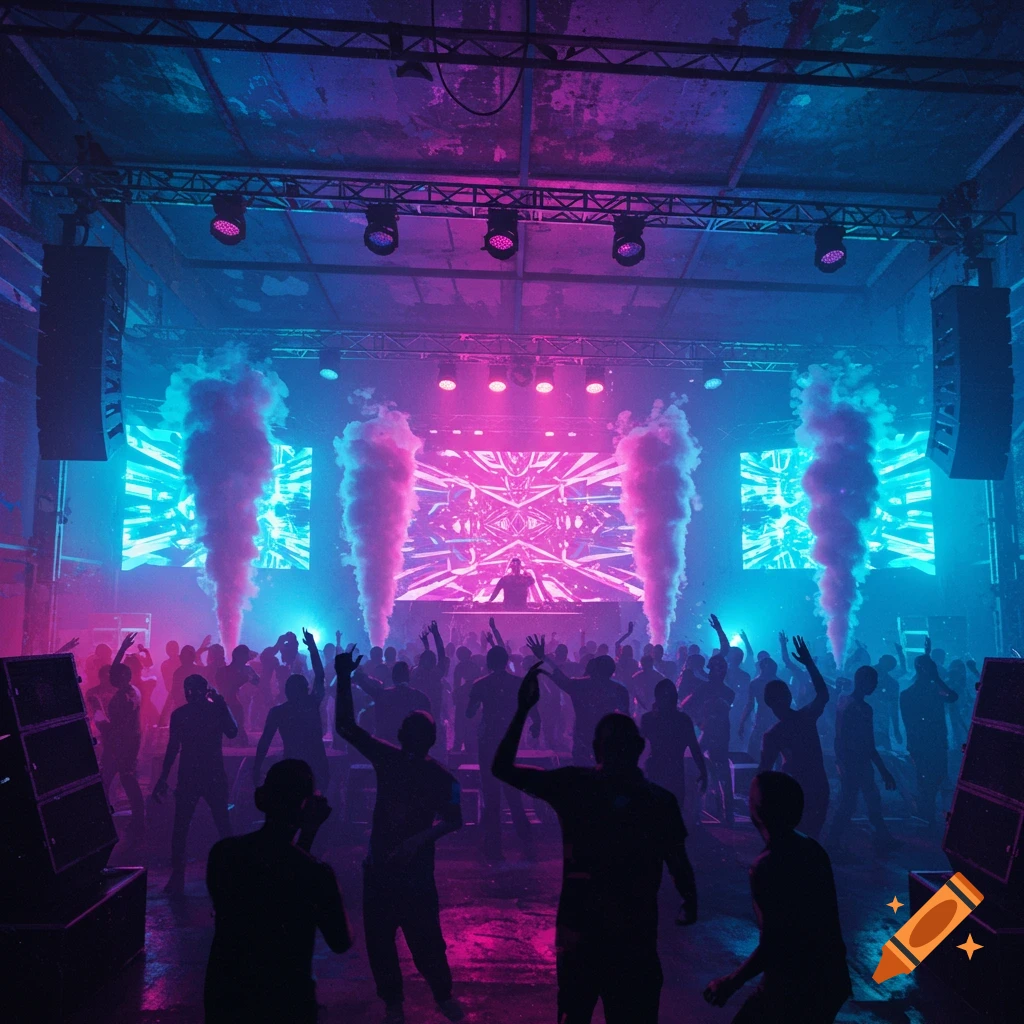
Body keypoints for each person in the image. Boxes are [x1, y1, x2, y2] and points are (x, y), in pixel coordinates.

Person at [493, 662, 697, 1024]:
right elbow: (679, 861)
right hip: (634, 933)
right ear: (639, 747)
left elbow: (502, 768)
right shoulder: (659, 801)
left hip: (580, 928)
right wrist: (689, 901)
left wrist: (523, 708)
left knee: (575, 1014)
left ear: (595, 748)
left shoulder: (575, 785)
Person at [334, 650, 465, 1024]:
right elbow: (457, 820)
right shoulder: (444, 777)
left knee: (389, 941)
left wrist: (344, 677)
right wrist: (423, 838)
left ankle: (403, 1002)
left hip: (389, 868)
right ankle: (438, 998)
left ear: (403, 735)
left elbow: (345, 725)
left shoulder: (390, 759)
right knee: (416, 942)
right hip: (410, 871)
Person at [204, 759, 351, 1024]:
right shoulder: (316, 873)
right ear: (306, 806)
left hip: (226, 997)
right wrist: (309, 834)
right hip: (287, 1003)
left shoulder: (223, 854)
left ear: (263, 798)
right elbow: (341, 941)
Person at [703, 772, 851, 1022]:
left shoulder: (766, 866)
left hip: (792, 985)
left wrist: (730, 982)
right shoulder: (813, 849)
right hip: (830, 979)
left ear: (757, 810)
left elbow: (774, 943)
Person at [153, 672, 238, 894]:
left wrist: (163, 777)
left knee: (182, 826)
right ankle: (233, 871)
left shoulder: (180, 714)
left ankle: (178, 876)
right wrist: (222, 704)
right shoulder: (212, 711)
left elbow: (173, 748)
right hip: (212, 774)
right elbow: (233, 731)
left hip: (191, 774)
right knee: (221, 822)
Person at [466, 645, 541, 861]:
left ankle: (493, 846)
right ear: (506, 661)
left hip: (488, 739)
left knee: (491, 792)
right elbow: (531, 707)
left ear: (488, 663)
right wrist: (536, 723)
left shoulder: (481, 683)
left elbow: (469, 713)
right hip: (509, 738)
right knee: (512, 789)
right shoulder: (517, 683)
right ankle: (526, 842)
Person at [758, 636, 831, 839]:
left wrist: (761, 808)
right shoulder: (804, 718)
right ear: (789, 697)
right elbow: (823, 694)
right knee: (811, 839)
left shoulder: (773, 734)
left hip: (794, 791)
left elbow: (763, 773)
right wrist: (809, 664)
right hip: (817, 786)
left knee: (794, 843)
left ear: (767, 703)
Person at [826, 665, 899, 854]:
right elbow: (868, 743)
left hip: (852, 760)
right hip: (857, 762)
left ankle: (881, 837)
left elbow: (840, 737)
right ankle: (832, 844)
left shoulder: (844, 702)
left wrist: (840, 760)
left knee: (866, 799)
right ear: (863, 681)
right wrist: (883, 770)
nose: (875, 685)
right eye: (872, 681)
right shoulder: (862, 708)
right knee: (851, 802)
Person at [529, 635, 629, 766]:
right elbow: (626, 720)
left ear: (593, 669)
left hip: (584, 738)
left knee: (583, 775)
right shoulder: (619, 690)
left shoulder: (581, 686)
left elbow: (559, 677)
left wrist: (544, 658)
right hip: (607, 738)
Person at [253, 629, 330, 793]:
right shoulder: (312, 703)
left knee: (291, 807)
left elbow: (265, 741)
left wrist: (256, 767)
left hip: (292, 765)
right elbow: (320, 674)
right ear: (306, 689)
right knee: (315, 809)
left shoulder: (278, 712)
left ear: (286, 691)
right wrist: (312, 647)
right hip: (317, 765)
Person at [900, 637, 959, 827]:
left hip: (924, 744)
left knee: (927, 780)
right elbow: (952, 696)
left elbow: (952, 697)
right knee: (933, 779)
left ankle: (927, 814)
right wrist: (936, 677)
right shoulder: (933, 690)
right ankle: (928, 815)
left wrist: (927, 660)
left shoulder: (908, 693)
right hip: (933, 743)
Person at [99, 631, 146, 844]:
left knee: (127, 778)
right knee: (107, 777)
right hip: (116, 742)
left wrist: (105, 725)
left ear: (125, 677)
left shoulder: (130, 694)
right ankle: (103, 816)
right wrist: (121, 650)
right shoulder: (124, 689)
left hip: (126, 743)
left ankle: (138, 820)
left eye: (117, 676)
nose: (112, 678)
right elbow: (114, 671)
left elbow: (124, 719)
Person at [641, 679, 708, 814]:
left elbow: (636, 748)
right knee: (672, 813)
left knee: (657, 813)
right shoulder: (682, 720)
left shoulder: (649, 719)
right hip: (673, 770)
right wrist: (703, 771)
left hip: (657, 768)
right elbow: (695, 749)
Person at [683, 653, 735, 825]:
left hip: (712, 734)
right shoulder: (727, 692)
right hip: (718, 734)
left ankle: (698, 812)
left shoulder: (709, 689)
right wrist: (700, 721)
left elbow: (686, 706)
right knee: (721, 774)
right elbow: (686, 706)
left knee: (698, 770)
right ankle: (727, 815)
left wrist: (699, 721)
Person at [356, 660, 432, 743]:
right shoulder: (420, 697)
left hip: (385, 745)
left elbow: (366, 686)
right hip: (410, 745)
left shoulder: (382, 694)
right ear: (408, 677)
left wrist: (358, 675)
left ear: (393, 676)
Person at [160, 636, 212, 727]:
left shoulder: (182, 668)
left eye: (174, 648)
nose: (173, 651)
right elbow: (169, 686)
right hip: (179, 700)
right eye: (170, 648)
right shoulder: (167, 665)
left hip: (186, 701)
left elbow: (191, 658)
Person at [217, 644, 259, 746]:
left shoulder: (244, 670)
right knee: (234, 730)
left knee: (234, 730)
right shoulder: (224, 671)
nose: (246, 660)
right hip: (229, 704)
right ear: (240, 657)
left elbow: (257, 681)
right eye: (245, 657)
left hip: (228, 704)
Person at [739, 657, 779, 761]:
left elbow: (750, 705)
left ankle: (758, 773)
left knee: (755, 749)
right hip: (771, 719)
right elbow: (750, 705)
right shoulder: (777, 682)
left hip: (765, 719)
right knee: (775, 748)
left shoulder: (755, 683)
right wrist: (742, 722)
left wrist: (742, 722)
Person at [412, 621, 450, 724]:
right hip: (434, 713)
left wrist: (426, 645)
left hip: (417, 713)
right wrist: (436, 634)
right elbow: (441, 653)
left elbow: (428, 657)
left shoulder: (415, 672)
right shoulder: (436, 674)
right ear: (434, 661)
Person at [872, 642, 906, 750]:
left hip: (879, 719)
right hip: (875, 718)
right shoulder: (891, 682)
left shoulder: (891, 683)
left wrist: (896, 730)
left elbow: (894, 706)